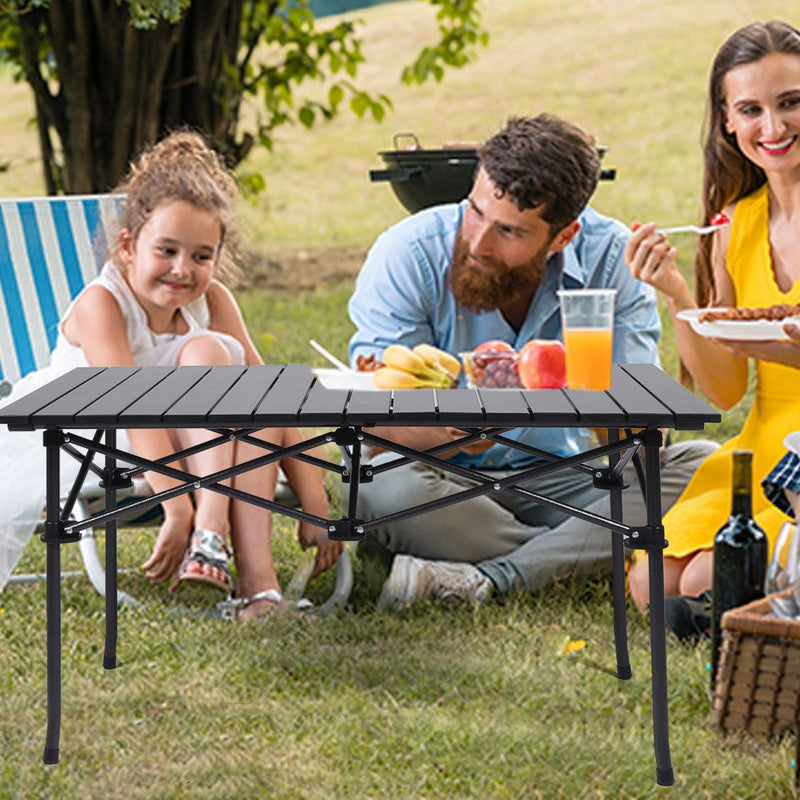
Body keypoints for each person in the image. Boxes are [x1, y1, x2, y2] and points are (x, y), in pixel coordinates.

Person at [347, 113, 715, 608]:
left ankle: (486, 578)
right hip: (439, 480)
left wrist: (620, 405)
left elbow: (639, 445)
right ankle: (572, 554)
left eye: (510, 232)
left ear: (562, 238)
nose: (478, 242)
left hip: (561, 479)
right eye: (474, 211)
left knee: (705, 466)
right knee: (383, 490)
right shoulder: (408, 254)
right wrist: (463, 431)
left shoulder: (612, 262)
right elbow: (375, 427)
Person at [0, 130, 341, 618]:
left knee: (250, 403)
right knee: (210, 357)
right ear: (127, 246)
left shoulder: (214, 300)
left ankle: (257, 589)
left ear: (218, 258)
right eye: (167, 251)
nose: (183, 270)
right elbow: (133, 411)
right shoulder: (102, 305)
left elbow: (274, 397)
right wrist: (178, 507)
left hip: (189, 440)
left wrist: (316, 502)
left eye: (202, 256)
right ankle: (210, 530)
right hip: (96, 433)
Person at [624, 20, 800, 614]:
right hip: (765, 447)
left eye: (791, 103)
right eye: (751, 109)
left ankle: (734, 615)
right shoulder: (735, 224)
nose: (772, 128)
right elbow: (725, 391)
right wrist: (677, 294)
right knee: (651, 585)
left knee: (707, 578)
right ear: (727, 120)